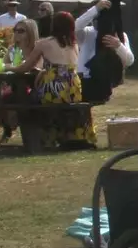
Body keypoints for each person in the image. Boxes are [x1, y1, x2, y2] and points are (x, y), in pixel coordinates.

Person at [14, 11, 93, 149]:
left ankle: (39, 139)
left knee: (27, 100)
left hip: (54, 89)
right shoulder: (74, 44)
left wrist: (7, 67)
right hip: (73, 88)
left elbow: (25, 67)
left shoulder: (44, 43)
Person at [76, 0, 135, 106]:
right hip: (84, 80)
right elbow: (75, 27)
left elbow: (130, 61)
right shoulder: (86, 33)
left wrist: (118, 46)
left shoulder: (119, 35)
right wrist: (95, 9)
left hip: (105, 83)